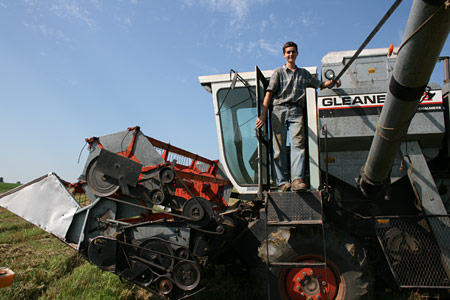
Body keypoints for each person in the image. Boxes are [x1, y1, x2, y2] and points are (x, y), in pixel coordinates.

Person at [256, 41, 340, 192]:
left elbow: (320, 84)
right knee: (278, 148)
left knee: (298, 146)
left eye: (293, 51)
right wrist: (263, 115)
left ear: (297, 54)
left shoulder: (304, 74)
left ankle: (296, 181)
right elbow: (269, 93)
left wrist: (333, 82)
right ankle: (282, 182)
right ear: (284, 54)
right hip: (278, 110)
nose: (290, 54)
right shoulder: (278, 73)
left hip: (296, 111)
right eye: (288, 52)